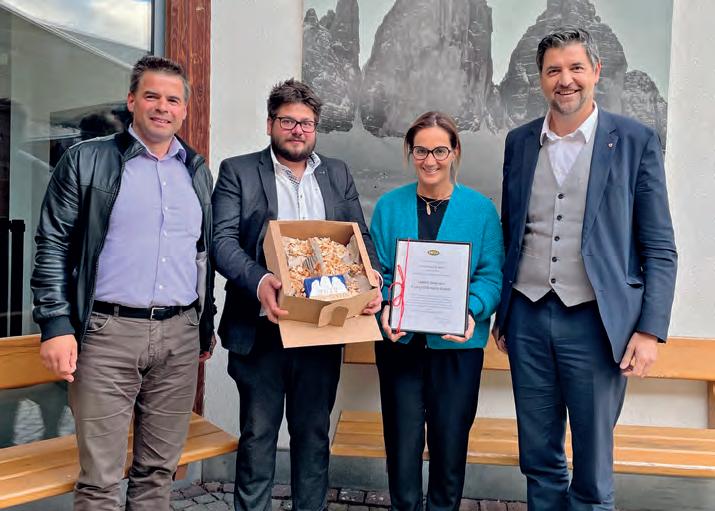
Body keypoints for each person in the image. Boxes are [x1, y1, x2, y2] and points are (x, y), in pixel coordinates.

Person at [493, 28, 677, 510]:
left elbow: (659, 247)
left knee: (593, 471)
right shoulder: (519, 142)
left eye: (576, 68)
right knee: (538, 459)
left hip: (597, 324)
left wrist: (650, 331)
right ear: (540, 79)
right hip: (528, 316)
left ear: (596, 71)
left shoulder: (635, 141)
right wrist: (503, 314)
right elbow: (513, 231)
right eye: (553, 70)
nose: (565, 80)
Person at [31, 55, 215, 511]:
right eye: (151, 96)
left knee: (158, 474)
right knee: (100, 481)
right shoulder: (86, 160)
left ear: (184, 109)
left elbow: (201, 255)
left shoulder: (195, 169)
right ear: (132, 100)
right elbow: (53, 243)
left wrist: (204, 324)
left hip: (179, 337)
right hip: (107, 335)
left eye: (173, 99)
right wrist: (55, 323)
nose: (162, 107)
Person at [211, 78, 382, 511]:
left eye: (306, 123)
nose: (297, 130)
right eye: (287, 121)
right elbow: (221, 242)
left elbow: (358, 238)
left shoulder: (337, 173)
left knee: (313, 436)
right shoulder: (238, 171)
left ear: (316, 127)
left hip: (321, 329)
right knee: (258, 436)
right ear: (270, 123)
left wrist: (372, 279)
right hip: (261, 328)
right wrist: (260, 281)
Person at [369, 111, 503, 511]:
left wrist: (471, 310)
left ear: (455, 151)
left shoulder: (480, 210)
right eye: (421, 151)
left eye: (440, 150)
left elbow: (491, 276)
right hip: (400, 344)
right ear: (410, 152)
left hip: (457, 348)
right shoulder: (389, 207)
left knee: (449, 446)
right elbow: (377, 273)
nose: (430, 160)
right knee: (402, 445)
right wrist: (386, 308)